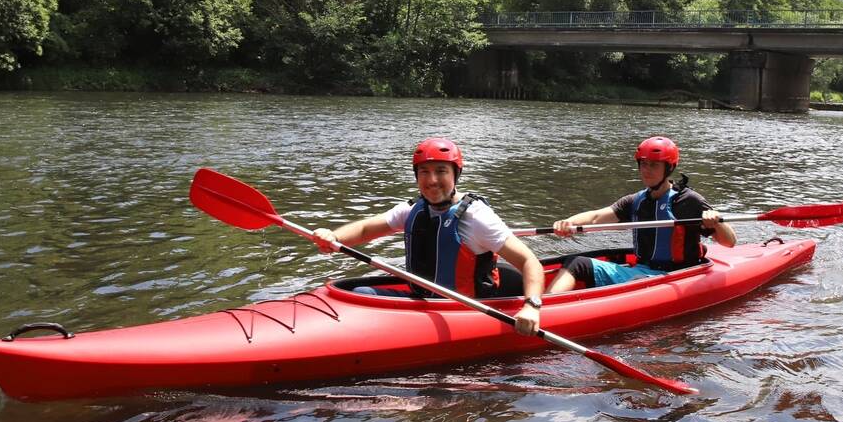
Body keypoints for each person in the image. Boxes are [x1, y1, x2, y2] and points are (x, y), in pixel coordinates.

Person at [311, 137, 545, 337]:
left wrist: (532, 306)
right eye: (424, 172)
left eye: (441, 171)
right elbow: (364, 230)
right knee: (361, 293)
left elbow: (529, 262)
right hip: (422, 299)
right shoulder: (412, 209)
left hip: (465, 309)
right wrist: (333, 237)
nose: (432, 180)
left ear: (456, 175)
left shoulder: (477, 217)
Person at [546, 136, 737, 293]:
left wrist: (717, 222)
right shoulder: (636, 201)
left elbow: (730, 242)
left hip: (676, 277)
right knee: (576, 263)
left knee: (580, 265)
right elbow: (596, 217)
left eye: (654, 165)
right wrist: (568, 223)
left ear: (668, 168)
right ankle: (543, 307)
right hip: (641, 271)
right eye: (643, 164)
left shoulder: (688, 201)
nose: (646, 170)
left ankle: (546, 312)